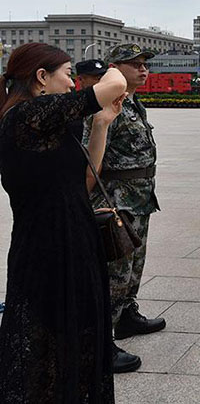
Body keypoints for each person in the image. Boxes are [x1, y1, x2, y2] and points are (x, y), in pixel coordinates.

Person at [0, 42, 127, 403]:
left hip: (76, 241)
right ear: (41, 77)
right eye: (68, 74)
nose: (74, 84)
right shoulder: (25, 117)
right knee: (48, 344)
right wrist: (114, 70)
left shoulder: (50, 124)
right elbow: (116, 85)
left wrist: (101, 125)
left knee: (77, 340)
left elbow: (84, 182)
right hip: (46, 249)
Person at [84, 43, 166, 374]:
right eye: (135, 64)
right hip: (116, 198)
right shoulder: (106, 102)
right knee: (115, 272)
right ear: (116, 68)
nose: (143, 69)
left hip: (140, 196)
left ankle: (127, 316)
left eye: (145, 64)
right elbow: (92, 152)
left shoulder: (133, 102)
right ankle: (100, 342)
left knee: (134, 266)